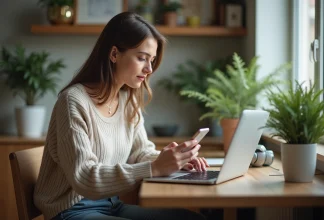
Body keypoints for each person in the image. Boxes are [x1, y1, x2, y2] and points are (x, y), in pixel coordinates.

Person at [34, 12, 209, 220]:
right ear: (114, 54)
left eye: (152, 60)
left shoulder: (127, 101)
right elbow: (84, 177)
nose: (149, 69)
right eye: (142, 58)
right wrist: (155, 168)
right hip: (71, 210)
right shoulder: (73, 101)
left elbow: (141, 153)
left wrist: (176, 161)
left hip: (111, 204)